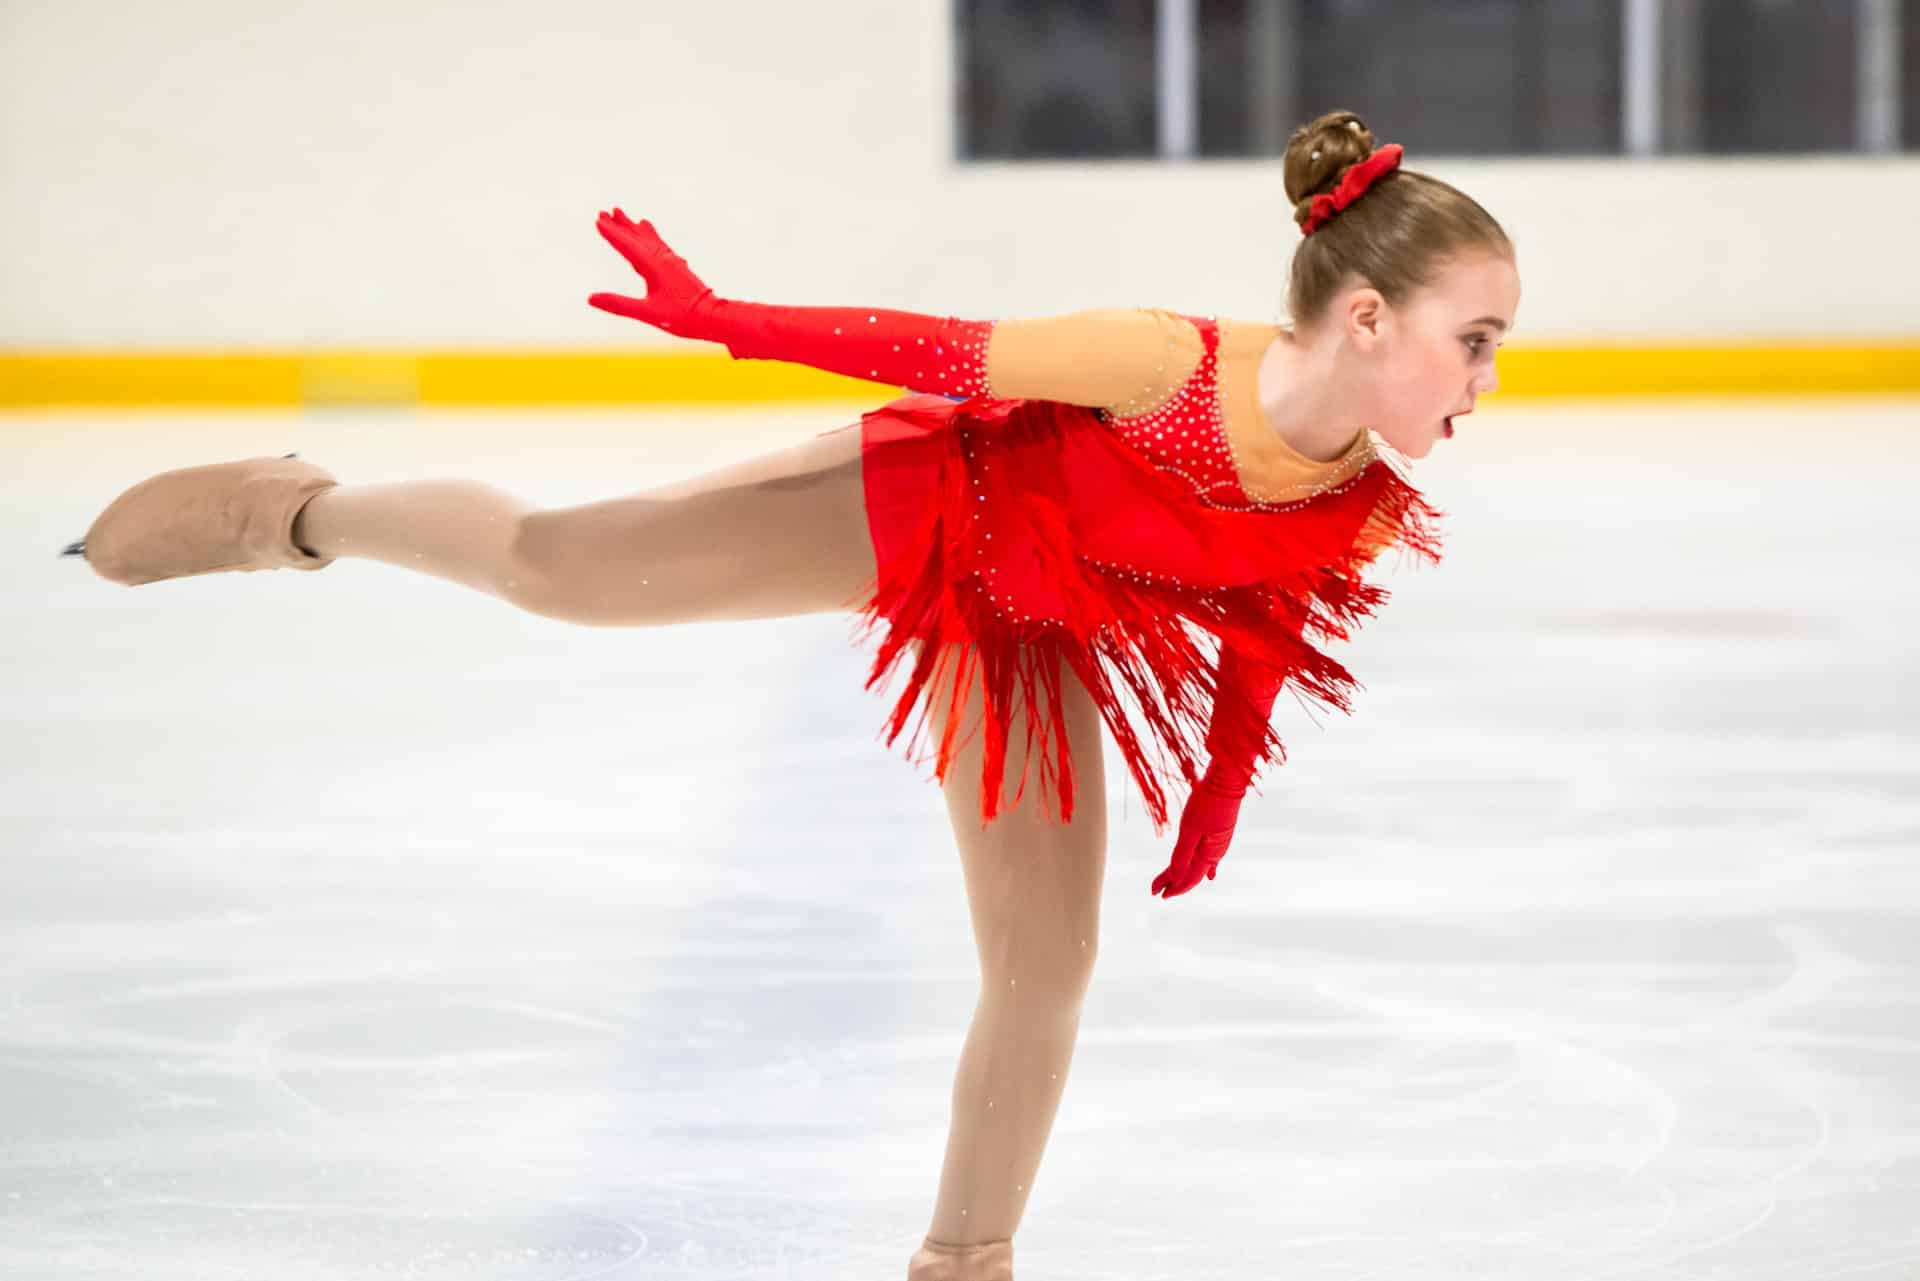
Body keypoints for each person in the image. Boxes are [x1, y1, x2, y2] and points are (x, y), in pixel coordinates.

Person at [66, 109, 1518, 1280]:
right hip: (921, 501)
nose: (1488, 379)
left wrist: (1212, 793)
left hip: (1026, 627)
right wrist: (722, 317)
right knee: (562, 568)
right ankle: (298, 511)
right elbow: (940, 352)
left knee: (1046, 963)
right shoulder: (1168, 364)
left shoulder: (1355, 489)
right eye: (1477, 340)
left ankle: (965, 1256)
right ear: (1374, 318)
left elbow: (1258, 628)